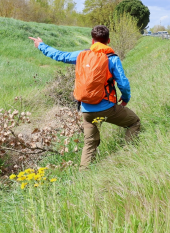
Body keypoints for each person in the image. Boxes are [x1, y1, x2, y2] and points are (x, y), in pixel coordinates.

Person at [29, 25, 140, 169]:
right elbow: (123, 84)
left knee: (90, 143)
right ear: (108, 40)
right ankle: (127, 157)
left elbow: (59, 55)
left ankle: (84, 174)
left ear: (92, 41)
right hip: (107, 109)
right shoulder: (112, 59)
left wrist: (40, 45)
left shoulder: (81, 55)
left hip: (86, 111)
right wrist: (125, 98)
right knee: (134, 122)